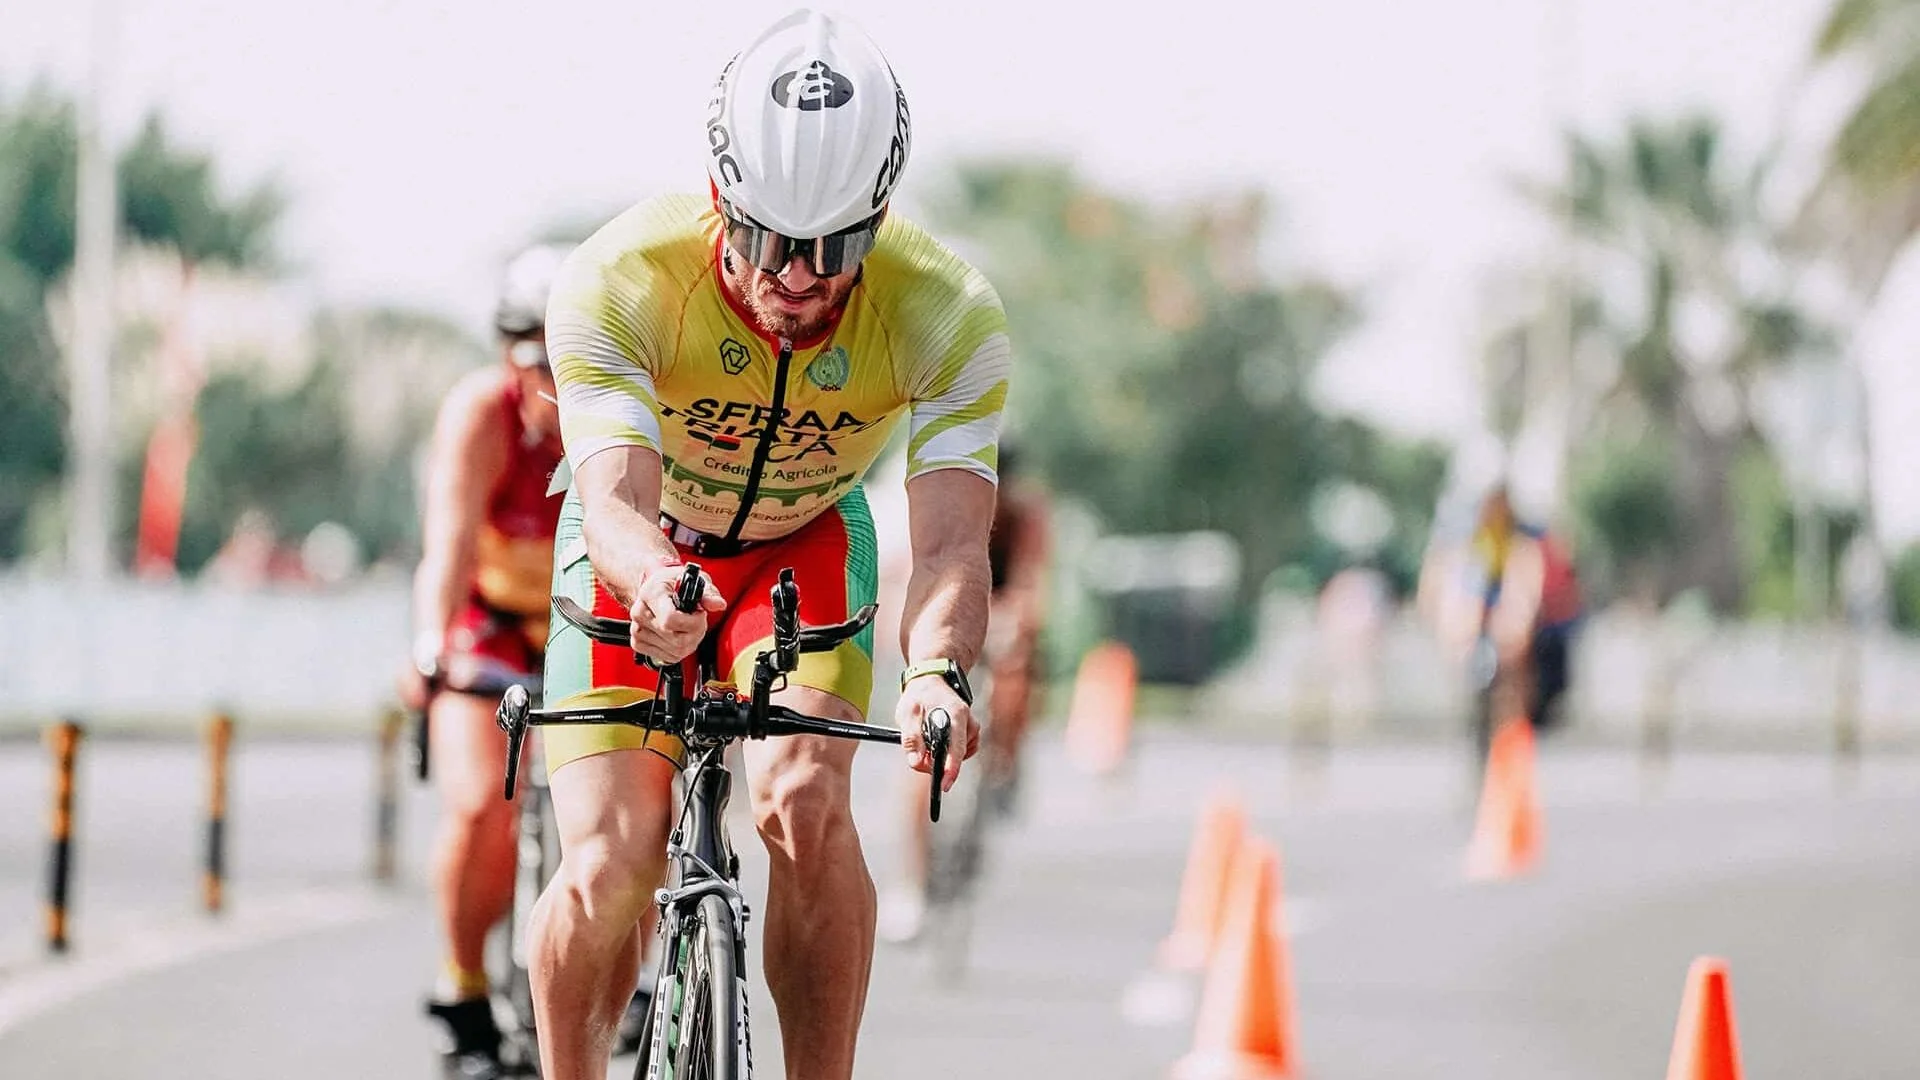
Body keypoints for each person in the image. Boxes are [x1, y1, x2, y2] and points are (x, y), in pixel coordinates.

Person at [529, 10, 1010, 1080]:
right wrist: (654, 583)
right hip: (642, 545)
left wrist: (936, 673)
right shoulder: (620, 276)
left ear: (879, 222)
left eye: (835, 247)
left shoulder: (948, 313)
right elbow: (610, 502)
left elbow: (949, 547)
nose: (796, 276)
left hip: (804, 546)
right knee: (607, 864)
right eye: (767, 239)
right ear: (719, 197)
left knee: (803, 802)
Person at [401, 243, 573, 1079]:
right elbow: (448, 544)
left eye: (569, 356)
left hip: (586, 625)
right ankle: (464, 985)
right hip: (491, 622)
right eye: (532, 356)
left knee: (625, 811)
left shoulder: (621, 410)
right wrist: (431, 647)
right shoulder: (482, 413)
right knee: (479, 805)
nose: (551, 383)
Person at [877, 439, 1051, 943]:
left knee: (1021, 663)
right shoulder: (939, 496)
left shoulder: (1028, 513)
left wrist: (1015, 624)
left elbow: (1032, 583)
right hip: (940, 611)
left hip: (999, 606)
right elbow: (908, 578)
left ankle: (1007, 762)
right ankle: (912, 880)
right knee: (921, 760)